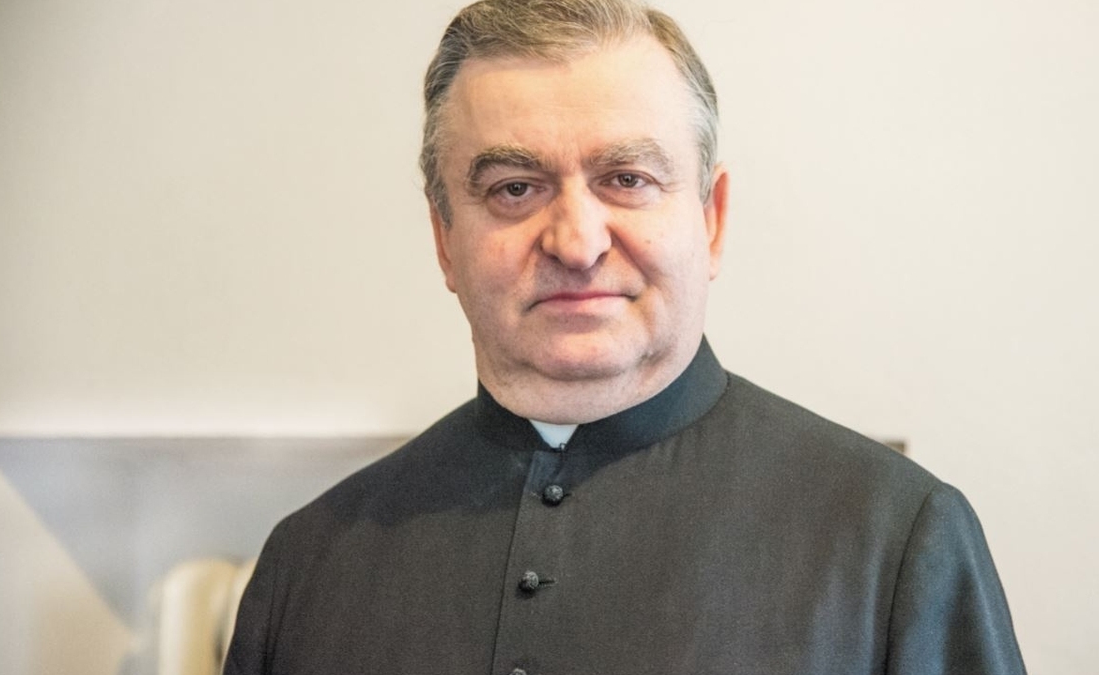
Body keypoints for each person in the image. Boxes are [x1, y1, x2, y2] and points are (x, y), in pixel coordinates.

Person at [223, 0, 1027, 673]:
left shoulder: (895, 540)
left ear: (712, 220)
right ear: (444, 241)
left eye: (627, 179)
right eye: (515, 188)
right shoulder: (309, 564)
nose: (577, 242)